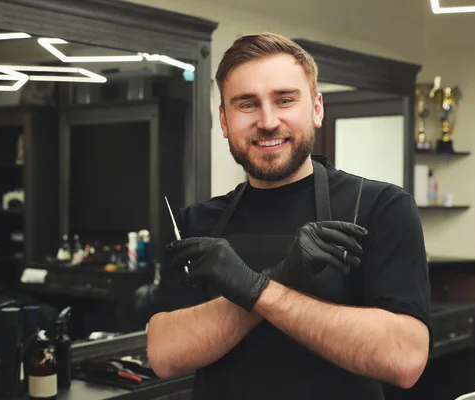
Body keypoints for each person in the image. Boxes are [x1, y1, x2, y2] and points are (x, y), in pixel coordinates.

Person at [146, 32, 432, 400]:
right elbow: (164, 355)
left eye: (284, 100)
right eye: (247, 104)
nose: (267, 121)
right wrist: (284, 276)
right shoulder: (196, 223)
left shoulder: (380, 207)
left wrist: (256, 288)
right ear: (224, 120)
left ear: (316, 108)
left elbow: (405, 359)